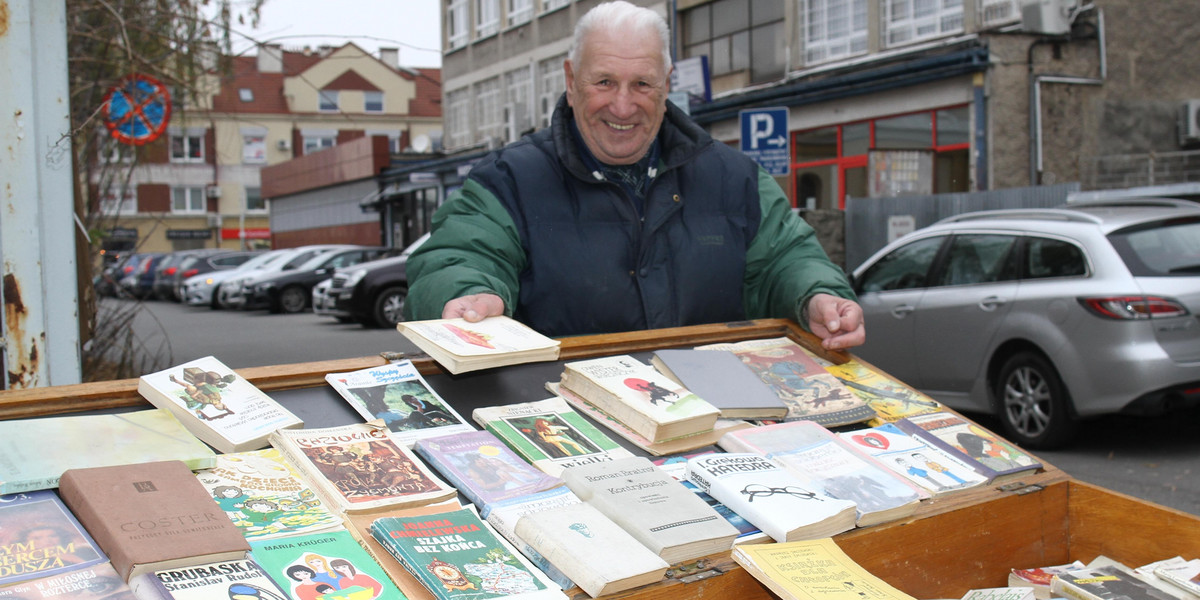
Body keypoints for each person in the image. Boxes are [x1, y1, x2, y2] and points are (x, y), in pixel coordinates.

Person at [404, 0, 864, 350]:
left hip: (709, 422)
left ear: (666, 83)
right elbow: (460, 257)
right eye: (603, 82)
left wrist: (816, 295)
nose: (622, 106)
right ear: (570, 80)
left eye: (642, 84)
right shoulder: (508, 180)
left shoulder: (734, 177)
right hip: (571, 429)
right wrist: (468, 295)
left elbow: (785, 259)